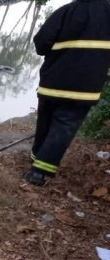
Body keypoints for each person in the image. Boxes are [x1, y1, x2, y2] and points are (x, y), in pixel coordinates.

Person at [24, 0, 110, 186]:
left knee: (45, 122)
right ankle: (38, 171)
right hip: (85, 88)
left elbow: (41, 43)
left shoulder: (66, 11)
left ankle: (37, 161)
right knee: (64, 128)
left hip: (53, 82)